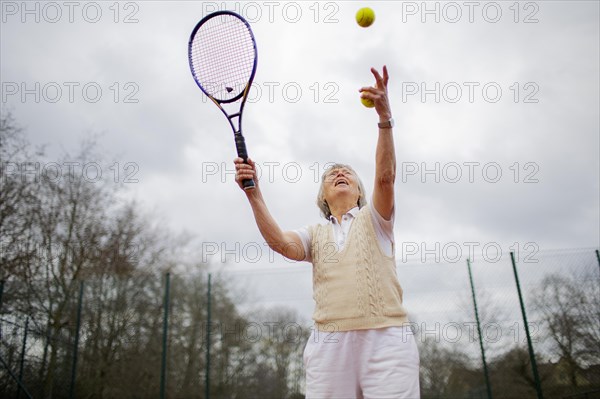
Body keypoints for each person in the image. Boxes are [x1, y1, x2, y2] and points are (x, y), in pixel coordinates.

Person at [234, 66, 420, 399]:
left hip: (388, 339)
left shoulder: (376, 219)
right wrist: (254, 194)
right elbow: (281, 243)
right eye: (331, 174)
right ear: (322, 196)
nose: (339, 173)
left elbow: (385, 178)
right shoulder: (315, 233)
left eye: (347, 172)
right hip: (328, 342)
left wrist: (384, 119)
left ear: (361, 192)